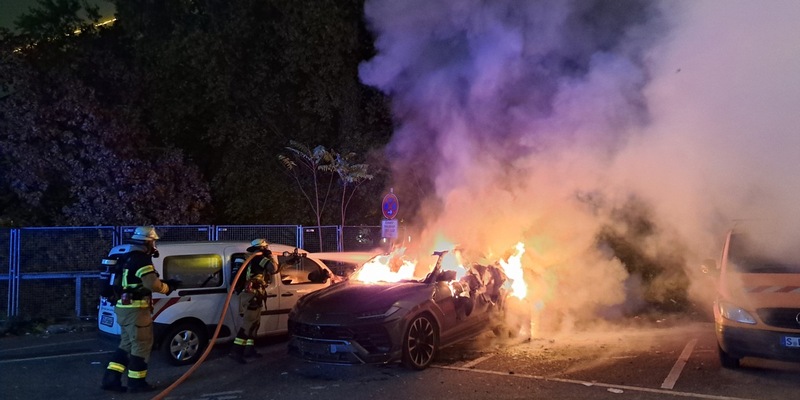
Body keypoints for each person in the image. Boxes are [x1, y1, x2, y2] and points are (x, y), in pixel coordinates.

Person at [101, 226, 179, 393]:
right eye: (153, 242)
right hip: (136, 311)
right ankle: (137, 383)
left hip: (123, 308)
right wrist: (168, 287)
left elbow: (133, 282)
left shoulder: (127, 257)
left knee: (126, 344)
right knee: (142, 345)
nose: (154, 246)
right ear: (148, 242)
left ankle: (110, 379)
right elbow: (152, 284)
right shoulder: (142, 259)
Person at [229, 238, 278, 363]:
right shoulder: (259, 258)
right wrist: (270, 256)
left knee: (255, 323)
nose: (267, 249)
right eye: (266, 247)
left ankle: (249, 349)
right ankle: (236, 351)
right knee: (248, 324)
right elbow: (273, 269)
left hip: (254, 294)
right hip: (252, 296)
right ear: (262, 247)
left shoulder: (250, 257)